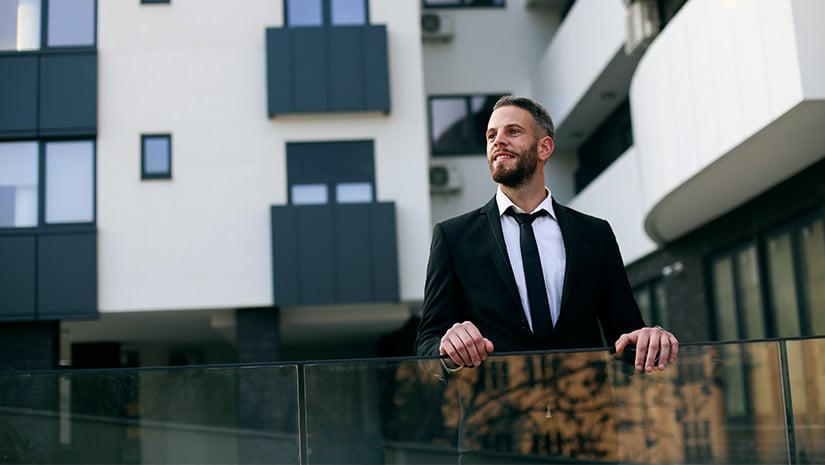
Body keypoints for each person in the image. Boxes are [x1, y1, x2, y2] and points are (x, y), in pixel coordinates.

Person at [416, 95, 678, 373]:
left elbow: (626, 333)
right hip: (498, 415)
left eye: (513, 131)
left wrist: (651, 336)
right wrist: (446, 348)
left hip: (584, 412)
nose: (498, 141)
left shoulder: (595, 233)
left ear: (545, 147)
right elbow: (426, 346)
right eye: (491, 135)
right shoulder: (453, 237)